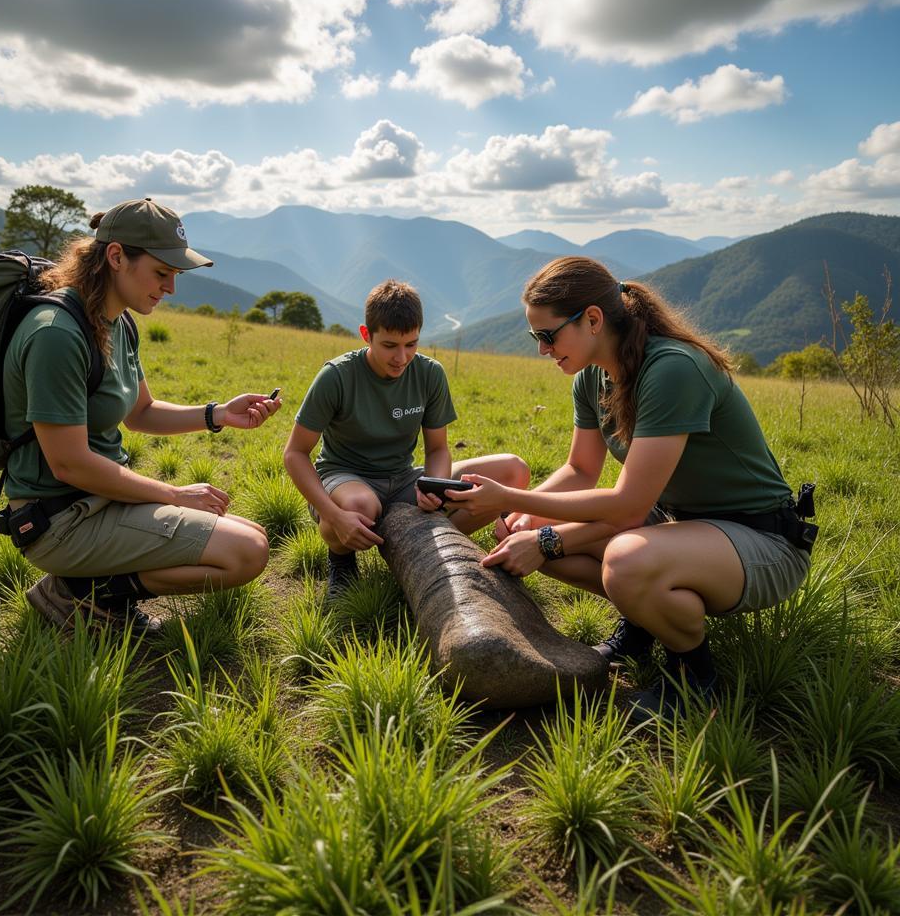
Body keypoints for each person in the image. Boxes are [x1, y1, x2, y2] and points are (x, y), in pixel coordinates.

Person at [444, 256, 814, 720]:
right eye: (534, 337)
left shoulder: (673, 369)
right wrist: (527, 519)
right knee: (526, 527)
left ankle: (695, 681)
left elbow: (629, 507)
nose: (542, 349)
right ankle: (642, 627)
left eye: (547, 335)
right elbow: (580, 469)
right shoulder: (592, 379)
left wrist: (525, 514)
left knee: (622, 560)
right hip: (684, 527)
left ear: (593, 320)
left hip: (762, 541)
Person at [7, 198, 282, 634]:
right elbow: (68, 462)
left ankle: (87, 588)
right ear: (116, 257)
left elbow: (141, 412)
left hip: (99, 500)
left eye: (175, 274)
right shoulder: (56, 333)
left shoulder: (117, 322)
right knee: (247, 551)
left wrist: (218, 414)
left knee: (254, 534)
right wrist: (173, 494)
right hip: (60, 520)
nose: (171, 287)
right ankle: (83, 596)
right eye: (162, 272)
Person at [283, 278, 529, 597]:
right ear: (366, 335)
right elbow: (295, 454)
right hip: (346, 479)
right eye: (389, 346)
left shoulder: (430, 374)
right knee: (361, 504)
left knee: (514, 470)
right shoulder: (337, 376)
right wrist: (333, 515)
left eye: (411, 344)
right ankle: (341, 561)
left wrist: (437, 488)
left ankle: (414, 546)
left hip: (404, 479)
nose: (401, 357)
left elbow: (438, 448)